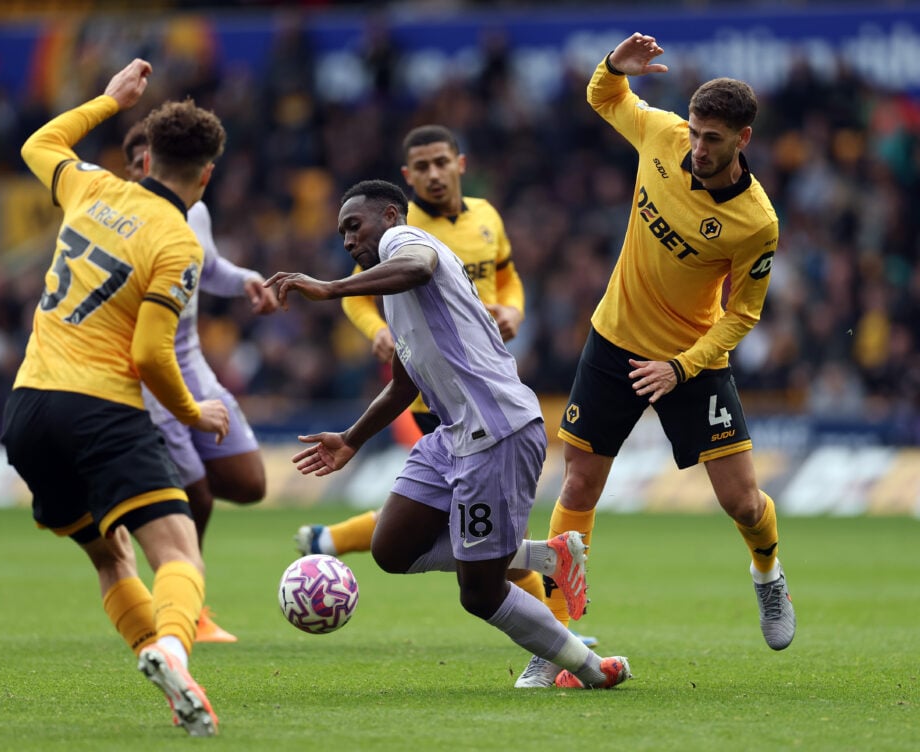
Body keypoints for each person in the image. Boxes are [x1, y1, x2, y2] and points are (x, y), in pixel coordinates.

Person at [266, 179, 631, 690]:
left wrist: (330, 289)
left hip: (497, 431)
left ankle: (589, 669)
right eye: (342, 233)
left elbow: (419, 265)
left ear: (391, 215)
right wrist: (351, 440)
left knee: (479, 593)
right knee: (391, 549)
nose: (348, 240)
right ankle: (545, 556)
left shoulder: (405, 245)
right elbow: (401, 386)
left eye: (355, 226)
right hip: (451, 437)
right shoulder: (394, 295)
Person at [519, 32, 796, 687]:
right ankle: (554, 637)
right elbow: (604, 97)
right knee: (578, 483)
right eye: (696, 133)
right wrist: (616, 66)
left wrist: (682, 366)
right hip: (614, 341)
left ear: (744, 140)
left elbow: (743, 314)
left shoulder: (757, 223)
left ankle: (768, 574)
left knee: (744, 503)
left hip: (689, 360)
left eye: (714, 139)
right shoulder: (663, 135)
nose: (699, 148)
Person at [0, 59, 229, 736]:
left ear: (145, 158)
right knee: (179, 553)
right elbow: (151, 355)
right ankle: (171, 646)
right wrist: (194, 413)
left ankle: (173, 683)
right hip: (99, 406)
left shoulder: (92, 187)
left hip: (26, 407)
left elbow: (36, 146)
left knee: (110, 557)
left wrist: (105, 100)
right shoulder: (178, 242)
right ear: (208, 175)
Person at [291, 125, 588, 640]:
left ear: (459, 164)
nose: (433, 174)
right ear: (407, 179)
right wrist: (379, 333)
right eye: (421, 167)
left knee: (479, 555)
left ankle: (556, 639)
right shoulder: (397, 237)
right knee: (438, 539)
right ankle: (545, 590)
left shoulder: (475, 220)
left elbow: (502, 273)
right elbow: (382, 300)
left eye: (440, 163)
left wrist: (513, 310)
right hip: (443, 401)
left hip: (484, 397)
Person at [122, 122, 279, 644]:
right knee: (198, 496)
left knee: (248, 483)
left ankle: (137, 506)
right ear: (136, 169)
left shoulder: (197, 212)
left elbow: (206, 266)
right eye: (141, 164)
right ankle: (188, 606)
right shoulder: (121, 217)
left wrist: (245, 280)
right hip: (147, 370)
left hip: (192, 362)